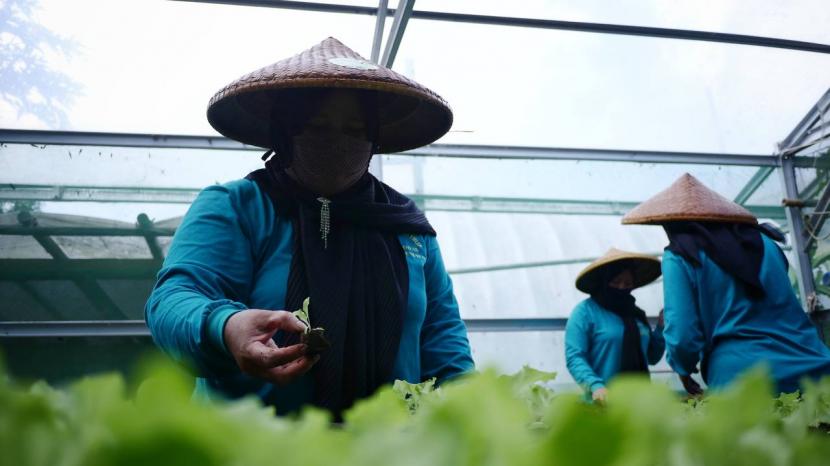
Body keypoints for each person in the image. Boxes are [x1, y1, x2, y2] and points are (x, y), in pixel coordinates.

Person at [145, 38, 474, 418]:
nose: (336, 141)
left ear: (373, 139)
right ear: (284, 131)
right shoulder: (239, 206)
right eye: (317, 124)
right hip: (251, 447)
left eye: (355, 128)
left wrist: (469, 412)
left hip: (386, 448)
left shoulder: (405, 225)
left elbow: (442, 337)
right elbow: (175, 298)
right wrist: (226, 325)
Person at [622, 173, 830, 394]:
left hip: (742, 381)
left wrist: (682, 367)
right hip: (814, 369)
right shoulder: (768, 244)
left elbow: (683, 334)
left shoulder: (681, 255)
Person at [565, 248, 666, 402]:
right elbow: (575, 357)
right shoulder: (585, 312)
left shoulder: (636, 314)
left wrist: (660, 328)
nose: (621, 288)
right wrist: (595, 386)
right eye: (615, 281)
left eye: (627, 283)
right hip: (600, 404)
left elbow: (652, 357)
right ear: (603, 281)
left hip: (638, 404)